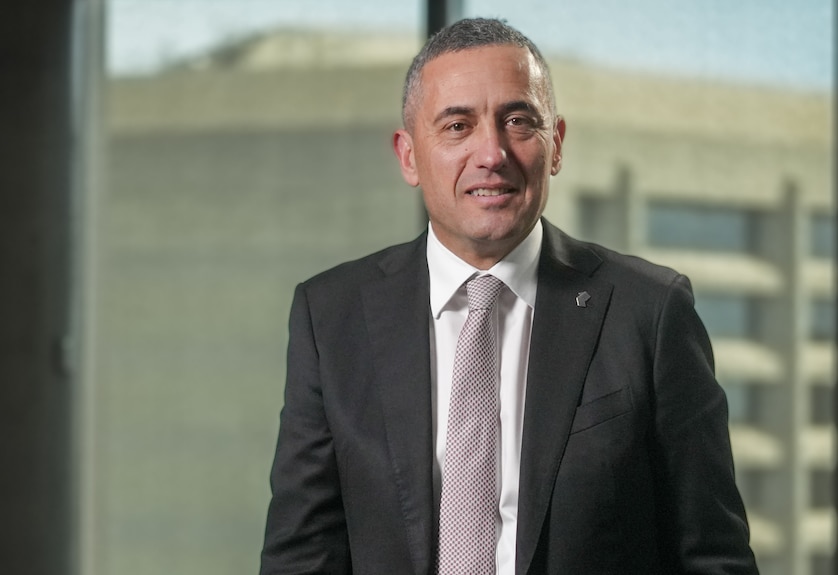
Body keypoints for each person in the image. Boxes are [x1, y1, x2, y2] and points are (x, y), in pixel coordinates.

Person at [259, 17, 758, 575]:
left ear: (557, 144)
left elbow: (714, 558)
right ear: (407, 155)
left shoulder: (651, 312)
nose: (491, 153)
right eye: (457, 126)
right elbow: (302, 557)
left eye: (518, 121)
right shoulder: (331, 316)